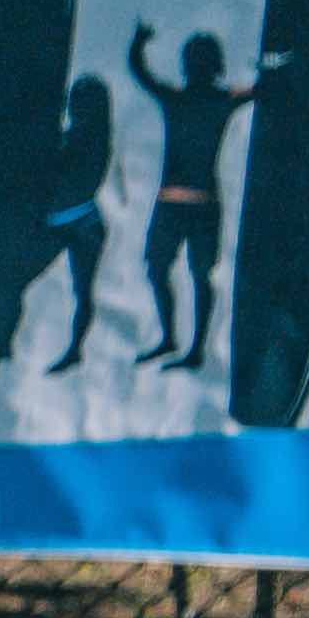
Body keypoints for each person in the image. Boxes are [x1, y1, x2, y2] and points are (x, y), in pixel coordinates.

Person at [122, 21, 247, 368]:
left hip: (175, 204)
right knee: (196, 275)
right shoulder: (222, 99)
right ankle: (187, 346)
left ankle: (177, 342)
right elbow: (260, 90)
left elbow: (139, 72)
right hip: (201, 204)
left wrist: (139, 41)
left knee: (164, 269)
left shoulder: (176, 99)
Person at [36, 73, 121, 374]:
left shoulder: (87, 139)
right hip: (79, 222)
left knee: (82, 291)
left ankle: (74, 350)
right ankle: (74, 349)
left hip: (79, 223)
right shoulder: (85, 137)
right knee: (81, 291)